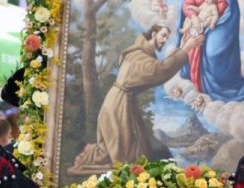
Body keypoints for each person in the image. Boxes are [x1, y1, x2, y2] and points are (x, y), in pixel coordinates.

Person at [69, 26, 203, 174]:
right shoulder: (138, 57)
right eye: (163, 35)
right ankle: (87, 156)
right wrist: (186, 49)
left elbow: (158, 67)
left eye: (167, 37)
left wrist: (183, 48)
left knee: (133, 151)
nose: (165, 40)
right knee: (125, 156)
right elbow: (160, 69)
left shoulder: (139, 54)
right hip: (117, 107)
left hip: (121, 103)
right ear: (153, 34)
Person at [177, 0, 244, 102]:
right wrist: (194, 17)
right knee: (189, 41)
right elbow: (187, 5)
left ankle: (223, 83)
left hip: (221, 22)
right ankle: (202, 85)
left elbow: (226, 2)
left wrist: (210, 18)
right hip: (199, 22)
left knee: (213, 52)